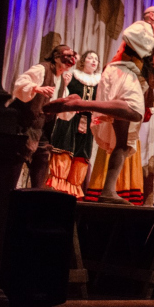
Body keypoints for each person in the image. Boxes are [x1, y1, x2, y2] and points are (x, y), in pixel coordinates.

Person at [46, 6, 154, 204]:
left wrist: (149, 100)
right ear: (152, 16)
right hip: (122, 72)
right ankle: (78, 103)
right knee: (134, 113)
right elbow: (129, 34)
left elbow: (148, 73)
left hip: (129, 77)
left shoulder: (150, 37)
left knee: (122, 144)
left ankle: (108, 191)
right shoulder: (143, 26)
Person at [9, 44, 78, 189]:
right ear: (56, 57)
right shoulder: (43, 69)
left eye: (73, 56)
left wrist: (71, 105)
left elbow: (61, 108)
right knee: (20, 155)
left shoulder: (61, 79)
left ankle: (37, 194)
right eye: (67, 56)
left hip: (44, 126)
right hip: (28, 122)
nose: (71, 59)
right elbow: (21, 83)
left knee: (42, 157)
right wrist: (36, 88)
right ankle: (7, 192)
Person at [46, 50, 101, 197]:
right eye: (90, 58)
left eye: (96, 59)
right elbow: (60, 96)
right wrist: (65, 84)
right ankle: (58, 186)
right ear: (83, 61)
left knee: (82, 153)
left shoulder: (99, 82)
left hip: (87, 121)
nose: (93, 61)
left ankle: (72, 189)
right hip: (70, 118)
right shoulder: (72, 76)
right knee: (64, 147)